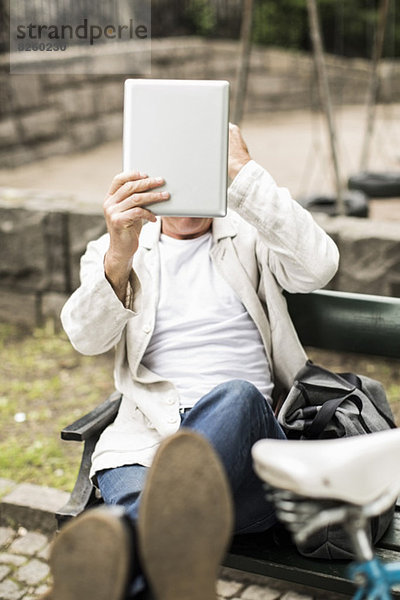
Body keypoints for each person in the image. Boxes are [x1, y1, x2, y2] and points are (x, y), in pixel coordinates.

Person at [47, 123, 339, 600]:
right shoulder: (117, 250)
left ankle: (112, 555)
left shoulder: (250, 235)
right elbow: (84, 337)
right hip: (143, 452)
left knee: (237, 396)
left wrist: (244, 174)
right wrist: (120, 251)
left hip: (250, 465)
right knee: (160, 550)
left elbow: (319, 266)